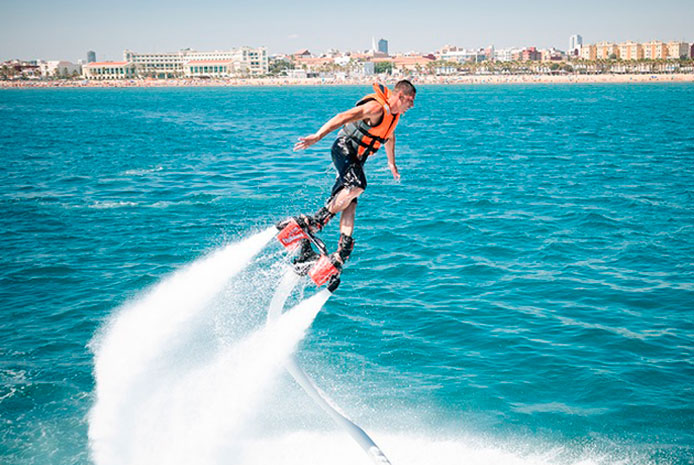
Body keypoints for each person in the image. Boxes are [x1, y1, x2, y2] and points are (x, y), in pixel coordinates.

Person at [284, 80, 416, 275]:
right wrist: (317, 136)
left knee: (350, 202)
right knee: (357, 185)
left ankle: (339, 254)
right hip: (344, 149)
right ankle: (314, 221)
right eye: (410, 101)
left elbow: (389, 136)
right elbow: (342, 116)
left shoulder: (393, 115)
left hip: (357, 158)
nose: (412, 106)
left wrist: (391, 163)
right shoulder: (375, 107)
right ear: (400, 96)